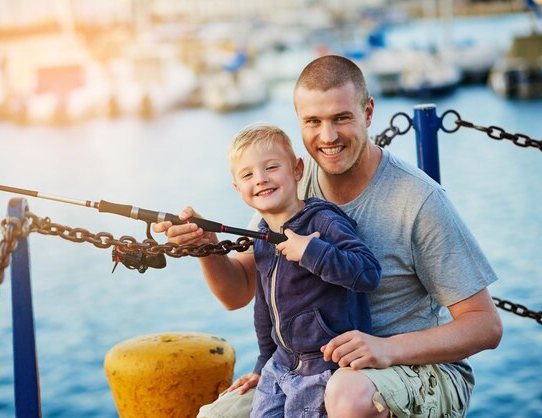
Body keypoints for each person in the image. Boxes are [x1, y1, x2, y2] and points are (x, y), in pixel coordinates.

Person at [154, 55, 502, 417]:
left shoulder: (418, 199)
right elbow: (237, 292)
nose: (328, 136)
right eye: (313, 121)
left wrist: (388, 349)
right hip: (310, 366)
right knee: (218, 415)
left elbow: (485, 325)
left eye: (342, 118)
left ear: (367, 113)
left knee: (347, 394)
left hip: (418, 369)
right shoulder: (288, 186)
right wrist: (206, 247)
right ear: (299, 123)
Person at [226, 122, 381, 417]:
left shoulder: (322, 221)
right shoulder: (261, 237)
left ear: (297, 170)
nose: (260, 179)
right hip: (280, 366)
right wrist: (262, 364)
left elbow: (369, 273)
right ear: (237, 187)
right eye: (247, 174)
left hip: (323, 368)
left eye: (271, 167)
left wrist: (311, 252)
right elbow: (264, 309)